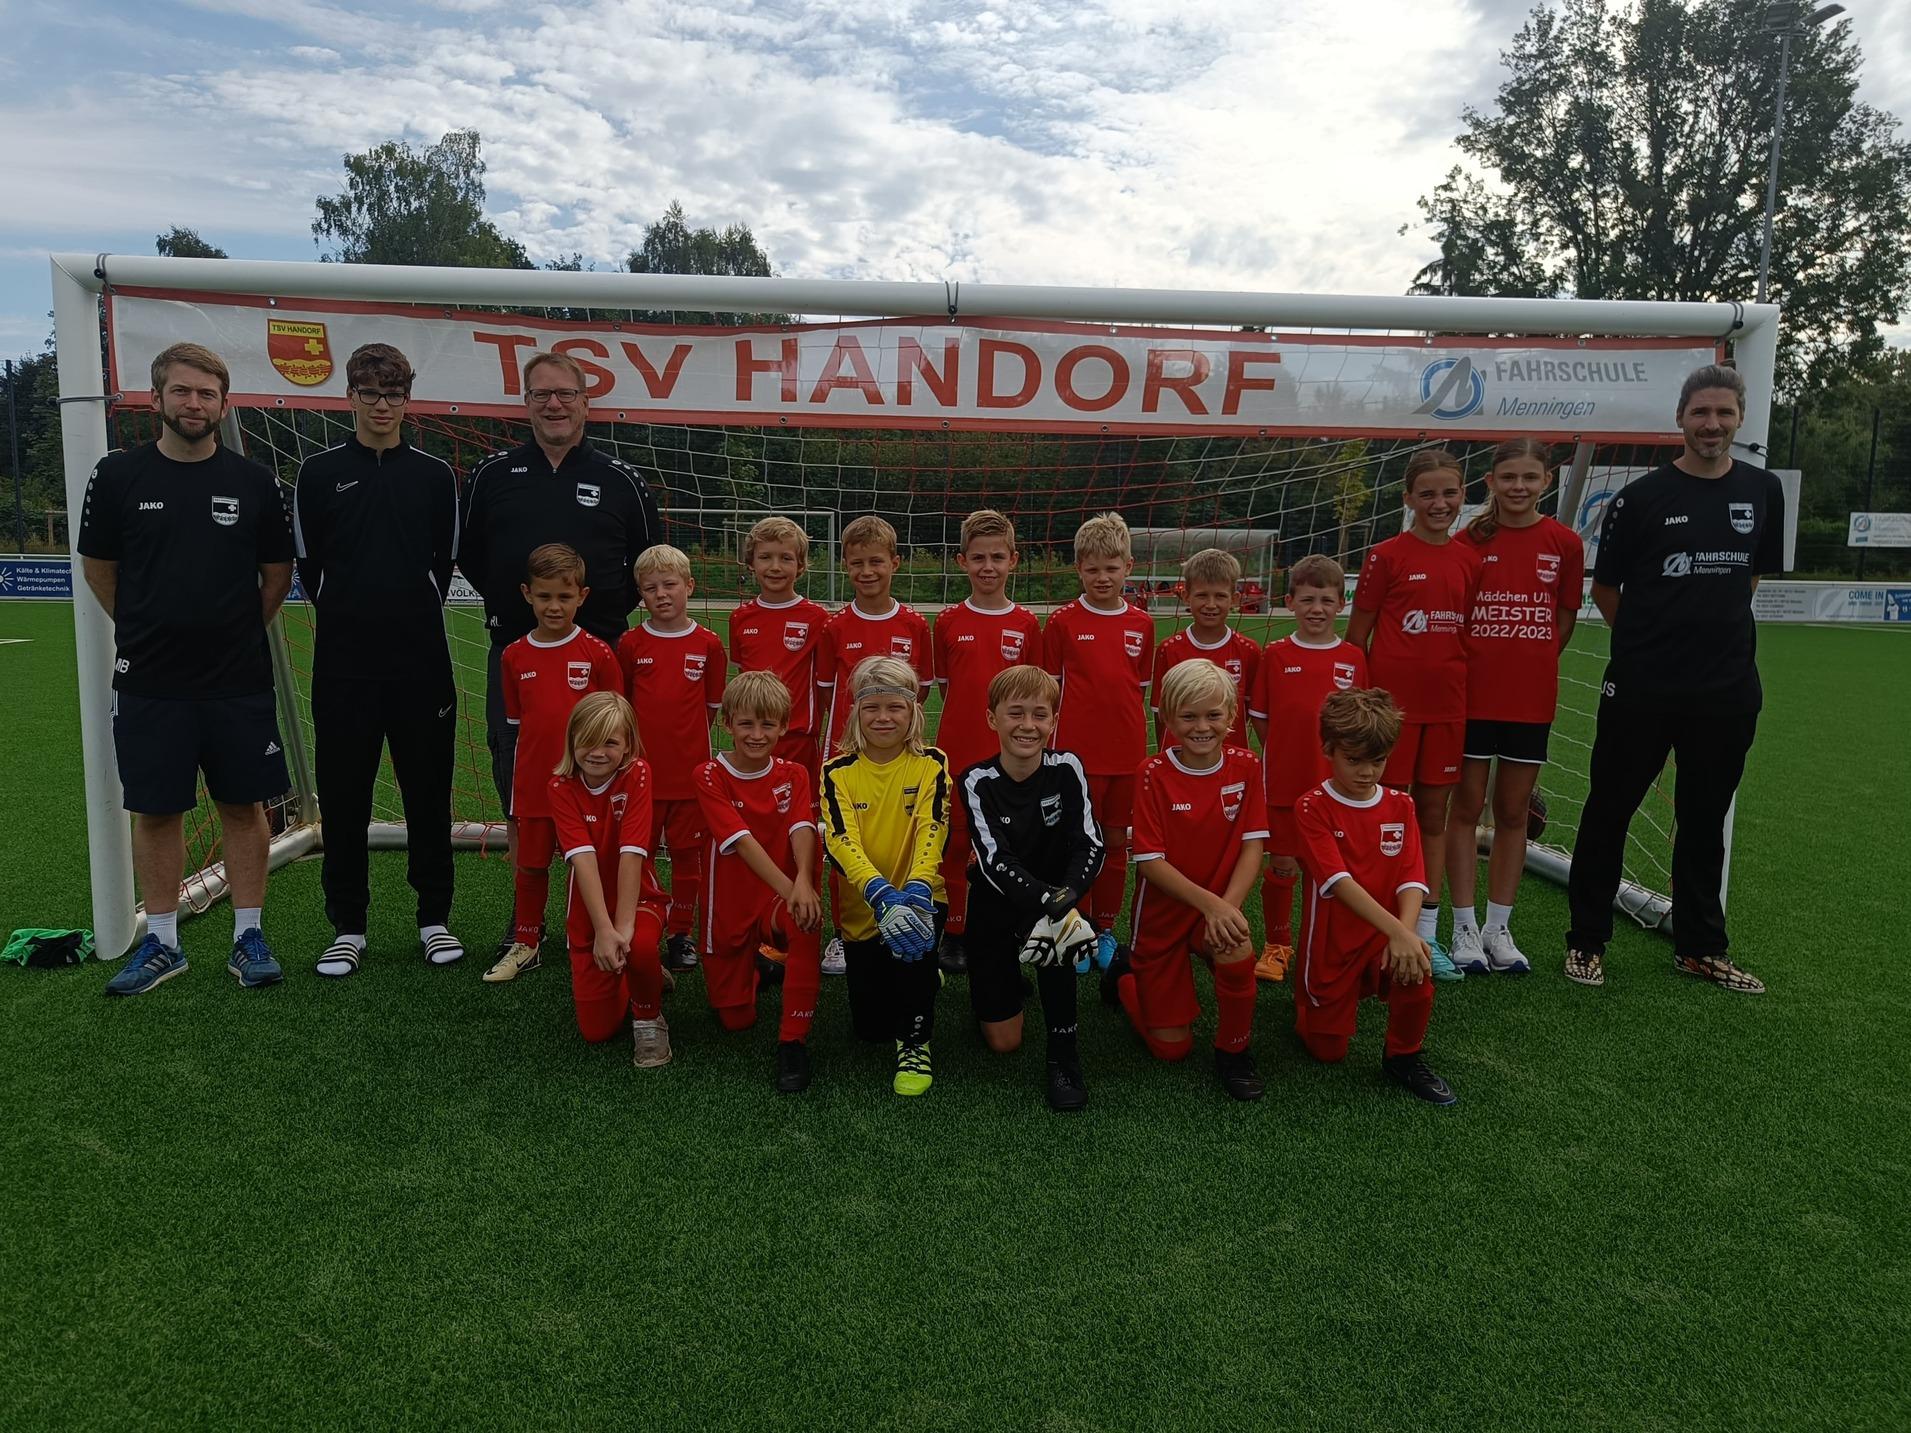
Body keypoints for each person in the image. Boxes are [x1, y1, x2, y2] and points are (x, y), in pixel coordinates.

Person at [78, 342, 294, 995]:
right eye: (182, 391)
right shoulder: (119, 475)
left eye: (206, 393)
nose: (194, 403)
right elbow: (99, 567)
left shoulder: (254, 482)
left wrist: (232, 633)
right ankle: (163, 943)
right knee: (156, 811)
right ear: (156, 399)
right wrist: (145, 627)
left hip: (237, 679)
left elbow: (276, 576)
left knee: (244, 805)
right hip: (150, 679)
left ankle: (249, 935)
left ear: (224, 404)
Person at [1566, 364, 1784, 993]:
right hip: (1643, 686)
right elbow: (1606, 589)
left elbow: (1748, 578)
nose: (1712, 424)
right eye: (1700, 413)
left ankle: (1700, 947)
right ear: (1680, 419)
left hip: (1726, 690)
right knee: (1609, 811)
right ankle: (1586, 942)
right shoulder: (1640, 498)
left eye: (1723, 413)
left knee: (1704, 818)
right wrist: (1650, 646)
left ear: (1739, 418)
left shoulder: (1764, 490)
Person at [458, 350, 665, 963]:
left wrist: (595, 621)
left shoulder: (622, 479)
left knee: (609, 782)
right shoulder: (492, 474)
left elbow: (646, 563)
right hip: (518, 654)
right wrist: (518, 613)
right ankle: (526, 924)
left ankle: (604, 913)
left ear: (585, 402)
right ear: (526, 403)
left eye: (565, 393)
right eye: (541, 394)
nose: (554, 404)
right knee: (522, 788)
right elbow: (471, 555)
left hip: (599, 658)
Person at [291, 342, 463, 977]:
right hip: (344, 664)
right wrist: (353, 610)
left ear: (407, 400)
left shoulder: (435, 475)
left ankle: (434, 920)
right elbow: (309, 566)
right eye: (370, 393)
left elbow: (444, 562)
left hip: (421, 663)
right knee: (344, 799)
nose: (382, 405)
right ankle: (349, 927)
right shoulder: (317, 473)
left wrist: (403, 610)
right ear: (350, 397)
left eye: (394, 394)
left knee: (428, 794)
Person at [1101, 659, 1268, 1102]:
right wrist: (1212, 906)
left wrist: (1226, 909)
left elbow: (1253, 845)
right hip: (1163, 917)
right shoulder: (1152, 772)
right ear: (1169, 719)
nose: (1202, 727)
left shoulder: (1247, 765)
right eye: (1188, 716)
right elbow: (1150, 863)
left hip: (1219, 906)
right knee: (1171, 1049)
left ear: (1231, 717)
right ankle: (1126, 975)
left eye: (1213, 715)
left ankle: (1234, 1052)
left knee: (1237, 949)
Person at [1446, 439, 1584, 976]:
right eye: (1508, 477)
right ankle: (1462, 925)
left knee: (1513, 812)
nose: (1519, 487)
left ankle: (1498, 928)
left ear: (1546, 481)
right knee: (1465, 807)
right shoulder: (1468, 541)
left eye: (1529, 477)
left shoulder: (1565, 543)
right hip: (1472, 697)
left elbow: (1563, 620)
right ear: (1491, 482)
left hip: (1529, 700)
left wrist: (1531, 661)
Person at [1346, 450, 1482, 982]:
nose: (1438, 503)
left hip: (1447, 709)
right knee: (1385, 815)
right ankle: (1377, 928)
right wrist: (1368, 711)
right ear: (1408, 499)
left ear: (1463, 496)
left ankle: (1426, 932)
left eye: (1448, 493)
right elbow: (1357, 638)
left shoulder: (1469, 560)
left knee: (1431, 816)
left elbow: (1463, 632)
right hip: (1392, 715)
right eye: (1427, 493)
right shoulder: (1386, 556)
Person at [1292, 687, 1454, 1105]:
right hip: (1333, 945)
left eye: (1378, 761)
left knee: (1417, 970)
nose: (1367, 772)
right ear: (1328, 749)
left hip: (1386, 936)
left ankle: (1404, 1055)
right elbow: (1339, 882)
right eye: (1354, 760)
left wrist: (1405, 935)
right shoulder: (1311, 807)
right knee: (1328, 1051)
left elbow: (1411, 877)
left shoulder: (1401, 805)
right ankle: (1309, 1008)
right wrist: (1399, 933)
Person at [957, 664, 1103, 1112]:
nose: (1027, 725)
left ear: (1053, 721)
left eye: (1039, 714)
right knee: (1004, 1042)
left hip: (1055, 902)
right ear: (992, 719)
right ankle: (1004, 975)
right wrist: (1050, 901)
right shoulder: (976, 780)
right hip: (997, 903)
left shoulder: (1067, 768)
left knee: (1060, 937)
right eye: (1015, 713)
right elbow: (995, 861)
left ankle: (1063, 1055)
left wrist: (1065, 901)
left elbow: (1090, 844)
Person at [485, 544, 624, 983]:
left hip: (588, 785)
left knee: (591, 861)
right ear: (527, 594)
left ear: (582, 596)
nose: (554, 606)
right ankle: (526, 942)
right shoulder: (513, 655)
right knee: (531, 863)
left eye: (564, 597)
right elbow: (517, 724)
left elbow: (616, 721)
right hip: (535, 781)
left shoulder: (598, 653)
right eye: (544, 596)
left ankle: (594, 935)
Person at [818, 656, 950, 1097]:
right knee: (870, 1028)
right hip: (866, 908)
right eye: (872, 708)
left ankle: (915, 1044)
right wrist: (879, 893)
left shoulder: (931, 764)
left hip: (920, 900)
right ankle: (923, 976)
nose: (883, 717)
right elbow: (841, 840)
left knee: (912, 964)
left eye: (895, 707)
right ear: (856, 712)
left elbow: (933, 828)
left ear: (913, 712)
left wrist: (915, 890)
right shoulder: (837, 771)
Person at [692, 672, 826, 1093]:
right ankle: (759, 964)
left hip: (774, 900)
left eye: (767, 724)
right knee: (737, 1020)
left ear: (783, 726)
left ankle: (793, 1042)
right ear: (727, 723)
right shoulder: (709, 774)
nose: (756, 734)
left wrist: (802, 884)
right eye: (746, 724)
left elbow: (802, 826)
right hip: (728, 906)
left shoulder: (794, 773)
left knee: (807, 922)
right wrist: (793, 889)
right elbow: (743, 842)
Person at [814, 516, 933, 977]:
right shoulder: (834, 626)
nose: (867, 571)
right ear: (845, 565)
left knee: (901, 835)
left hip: (898, 751)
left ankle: (905, 914)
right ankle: (844, 933)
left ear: (895, 563)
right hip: (849, 752)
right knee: (843, 841)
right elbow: (828, 694)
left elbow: (920, 693)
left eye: (876, 562)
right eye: (857, 563)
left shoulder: (915, 624)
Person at [930, 509, 1043, 978]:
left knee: (1012, 843)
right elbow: (945, 687)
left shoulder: (1027, 623)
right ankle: (956, 932)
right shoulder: (947, 621)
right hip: (959, 750)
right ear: (962, 561)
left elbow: (1034, 695)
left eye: (998, 557)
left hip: (1011, 757)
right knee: (956, 842)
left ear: (1013, 560)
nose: (988, 566)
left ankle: (1011, 929)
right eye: (978, 558)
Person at [1043, 511, 1155, 971]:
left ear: (1128, 567)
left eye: (1111, 567)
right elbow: (1050, 693)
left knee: (1114, 843)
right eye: (1092, 569)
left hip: (1126, 757)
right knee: (1076, 844)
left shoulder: (1142, 624)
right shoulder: (1062, 622)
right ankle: (1078, 926)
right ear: (1078, 569)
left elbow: (1138, 690)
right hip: (1076, 759)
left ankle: (1106, 930)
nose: (1102, 577)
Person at [1247, 554, 1366, 983]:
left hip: (1336, 790)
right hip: (1285, 783)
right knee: (1283, 865)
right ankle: (1277, 945)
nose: (1317, 609)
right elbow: (1261, 718)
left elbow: (1360, 726)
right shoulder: (1276, 654)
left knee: (1330, 870)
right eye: (1308, 600)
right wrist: (1286, 751)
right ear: (1290, 602)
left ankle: (1327, 945)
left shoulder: (1353, 657)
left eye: (1327, 600)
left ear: (1341, 604)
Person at [614, 544, 725, 973]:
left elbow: (711, 708)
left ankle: (681, 933)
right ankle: (641, 923)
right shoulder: (632, 643)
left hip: (689, 776)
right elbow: (622, 707)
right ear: (640, 595)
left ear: (689, 586)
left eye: (669, 585)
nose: (661, 595)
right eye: (650, 588)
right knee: (636, 854)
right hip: (640, 776)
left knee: (686, 856)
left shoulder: (708, 644)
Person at [546, 691, 671, 1066]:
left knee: (640, 946)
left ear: (628, 745)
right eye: (587, 741)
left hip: (639, 900)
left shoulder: (638, 774)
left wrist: (623, 928)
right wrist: (603, 930)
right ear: (572, 740)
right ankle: (637, 975)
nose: (597, 753)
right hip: (589, 914)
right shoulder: (560, 787)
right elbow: (583, 860)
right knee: (596, 1032)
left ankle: (649, 1017)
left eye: (610, 743)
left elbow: (632, 852)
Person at [726, 516, 830, 785]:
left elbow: (824, 684)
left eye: (785, 558)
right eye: (765, 557)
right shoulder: (740, 618)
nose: (775, 567)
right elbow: (742, 678)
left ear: (800, 565)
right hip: (753, 738)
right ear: (751, 563)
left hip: (798, 738)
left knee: (798, 807)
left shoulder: (817, 618)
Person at [1150, 548, 1260, 753]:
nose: (1211, 604)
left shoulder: (1249, 651)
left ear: (1235, 599)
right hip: (1180, 759)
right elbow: (1160, 713)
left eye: (1220, 596)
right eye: (1202, 596)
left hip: (1230, 758)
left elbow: (1251, 712)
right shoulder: (1169, 649)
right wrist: (1166, 754)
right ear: (1186, 596)